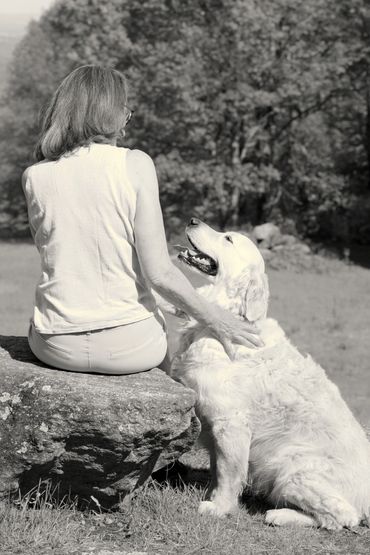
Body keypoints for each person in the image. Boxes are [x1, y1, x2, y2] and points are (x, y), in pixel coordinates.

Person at [22, 65, 262, 375]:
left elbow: (64, 261)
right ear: (107, 112)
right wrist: (218, 319)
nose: (126, 118)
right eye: (124, 109)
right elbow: (159, 272)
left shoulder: (34, 176)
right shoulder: (135, 164)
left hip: (56, 345)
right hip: (131, 347)